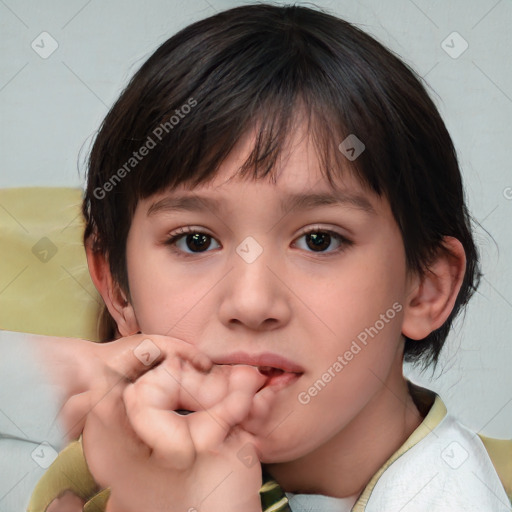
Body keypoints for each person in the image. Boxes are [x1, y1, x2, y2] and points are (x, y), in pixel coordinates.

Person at [24, 3, 511, 511]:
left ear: (424, 287)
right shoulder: (89, 472)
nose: (252, 303)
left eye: (319, 240)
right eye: (195, 241)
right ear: (117, 288)